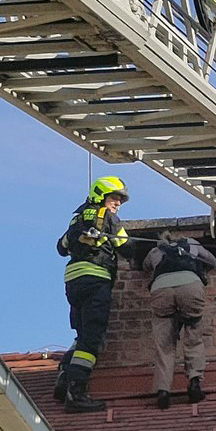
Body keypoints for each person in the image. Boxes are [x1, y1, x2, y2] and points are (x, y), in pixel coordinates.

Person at [54, 176, 134, 413]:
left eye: (120, 200)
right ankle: (75, 392)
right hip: (96, 279)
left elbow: (61, 248)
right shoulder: (108, 218)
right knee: (92, 339)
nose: (117, 204)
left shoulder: (76, 220)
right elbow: (127, 248)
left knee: (82, 333)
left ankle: (63, 376)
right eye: (114, 198)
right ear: (101, 195)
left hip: (73, 282)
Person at [142, 231, 216, 409]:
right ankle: (194, 382)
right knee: (193, 336)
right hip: (190, 285)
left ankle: (163, 391)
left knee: (164, 344)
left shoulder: (155, 251)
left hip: (161, 289)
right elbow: (212, 261)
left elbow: (146, 267)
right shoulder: (192, 243)